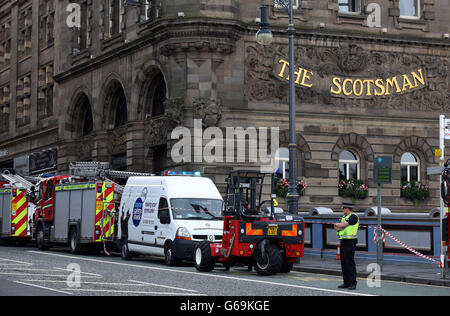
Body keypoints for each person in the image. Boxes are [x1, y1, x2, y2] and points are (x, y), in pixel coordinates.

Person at [334, 201, 359, 290]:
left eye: (344, 208)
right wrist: (339, 225)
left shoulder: (353, 217)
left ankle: (353, 283)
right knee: (344, 263)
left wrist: (340, 225)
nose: (343, 210)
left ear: (347, 209)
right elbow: (337, 227)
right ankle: (346, 282)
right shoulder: (344, 217)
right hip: (343, 241)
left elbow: (342, 225)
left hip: (350, 242)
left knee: (349, 263)